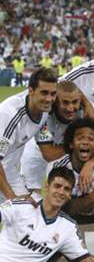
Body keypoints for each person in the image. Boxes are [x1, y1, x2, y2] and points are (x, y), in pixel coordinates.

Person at [21, 81, 94, 196]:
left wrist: (90, 164)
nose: (70, 108)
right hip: (38, 151)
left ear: (80, 99)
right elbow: (48, 154)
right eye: (65, 103)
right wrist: (75, 146)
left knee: (68, 194)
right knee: (32, 198)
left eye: (75, 102)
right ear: (55, 100)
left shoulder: (88, 111)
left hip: (70, 150)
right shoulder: (44, 113)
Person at [0, 67, 57, 202]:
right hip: (2, 171)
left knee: (29, 214)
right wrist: (13, 199)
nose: (49, 99)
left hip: (9, 173)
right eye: (44, 93)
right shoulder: (10, 115)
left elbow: (47, 152)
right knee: (18, 210)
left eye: (53, 93)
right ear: (30, 91)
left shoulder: (44, 111)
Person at [46, 118, 94, 217]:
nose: (85, 142)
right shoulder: (56, 166)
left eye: (90, 139)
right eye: (80, 138)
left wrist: (91, 199)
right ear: (71, 144)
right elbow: (60, 208)